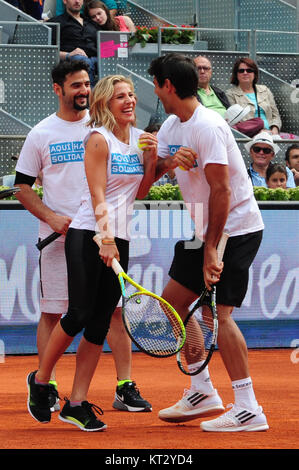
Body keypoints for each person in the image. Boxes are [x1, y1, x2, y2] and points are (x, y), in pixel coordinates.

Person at [15, 60, 152, 421]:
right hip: (78, 233)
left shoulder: (124, 135)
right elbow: (27, 186)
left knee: (102, 318)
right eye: (75, 85)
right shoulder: (55, 134)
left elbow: (137, 188)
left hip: (110, 235)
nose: (83, 90)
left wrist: (160, 161)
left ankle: (79, 402)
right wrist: (56, 219)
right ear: (58, 89)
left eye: (87, 84)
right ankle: (43, 383)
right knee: (66, 312)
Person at [148, 53, 269, 432]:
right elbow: (149, 178)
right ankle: (202, 390)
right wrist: (168, 162)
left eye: (155, 84)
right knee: (173, 304)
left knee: (220, 316)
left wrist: (212, 249)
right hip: (207, 232)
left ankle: (249, 407)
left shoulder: (208, 127)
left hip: (236, 229)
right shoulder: (171, 126)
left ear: (168, 86)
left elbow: (222, 191)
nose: (154, 90)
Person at [48, 0, 99, 87]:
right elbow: (48, 51)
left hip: (95, 58)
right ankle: (89, 98)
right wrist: (68, 54)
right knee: (82, 61)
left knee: (109, 59)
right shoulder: (56, 22)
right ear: (64, 1)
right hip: (73, 62)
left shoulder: (92, 22)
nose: (77, 1)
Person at [226, 57, 281, 136]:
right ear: (236, 74)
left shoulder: (265, 90)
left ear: (254, 74)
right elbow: (236, 122)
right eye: (241, 71)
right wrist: (257, 132)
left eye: (249, 70)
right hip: (248, 136)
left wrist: (275, 129)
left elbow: (275, 115)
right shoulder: (230, 94)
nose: (245, 73)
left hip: (270, 133)